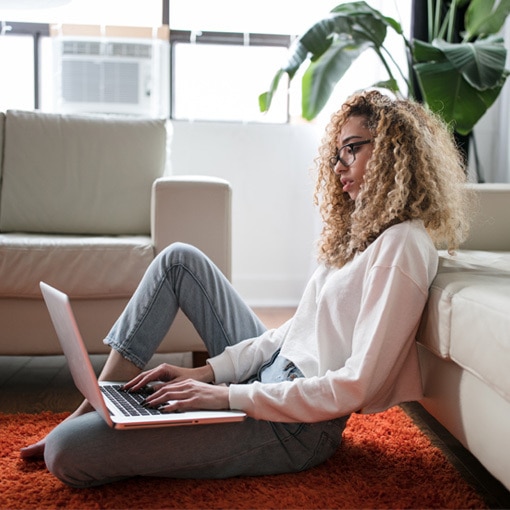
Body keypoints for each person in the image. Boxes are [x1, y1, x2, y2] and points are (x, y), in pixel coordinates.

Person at [21, 90, 472, 488]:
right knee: (180, 259)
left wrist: (226, 396)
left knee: (66, 452)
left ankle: (95, 419)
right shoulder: (363, 234)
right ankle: (100, 399)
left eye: (352, 149)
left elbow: (356, 386)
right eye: (337, 153)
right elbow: (293, 332)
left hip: (297, 427)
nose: (339, 166)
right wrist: (209, 374)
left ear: (394, 151)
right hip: (271, 376)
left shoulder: (403, 245)